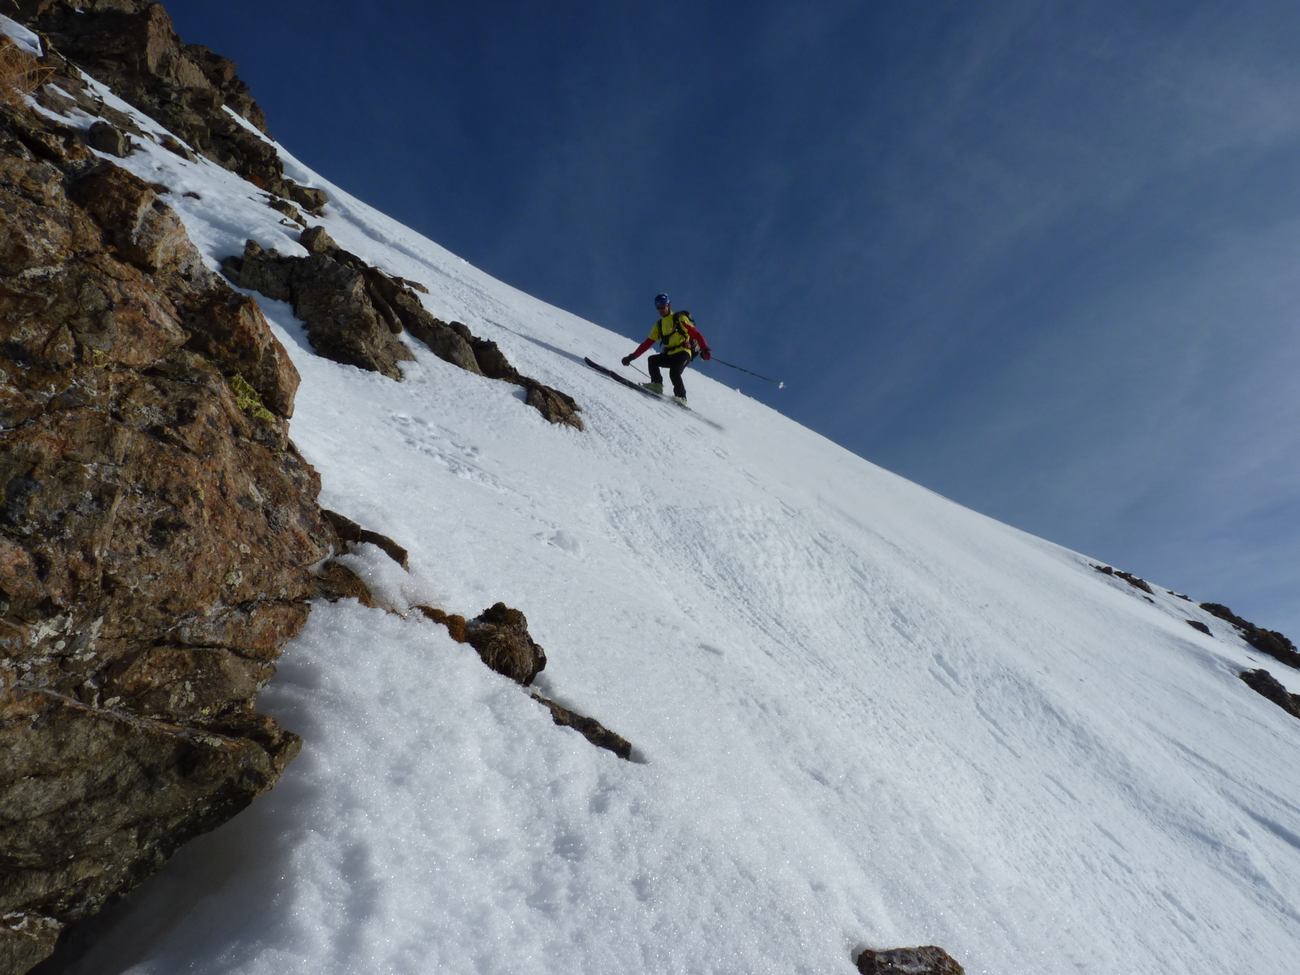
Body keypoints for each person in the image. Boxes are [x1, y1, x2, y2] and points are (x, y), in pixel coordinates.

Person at [621, 293, 711, 405]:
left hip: (683, 352)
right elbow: (646, 344)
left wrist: (704, 348)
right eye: (658, 306)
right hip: (670, 354)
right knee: (652, 360)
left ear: (669, 304)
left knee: (674, 372)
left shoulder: (679, 318)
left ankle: (681, 397)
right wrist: (631, 357)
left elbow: (696, 334)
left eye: (663, 305)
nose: (661, 309)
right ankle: (657, 385)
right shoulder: (659, 325)